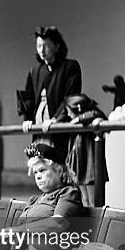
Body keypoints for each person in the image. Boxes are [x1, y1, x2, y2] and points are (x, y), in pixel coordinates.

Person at [21, 26, 82, 155]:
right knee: (38, 162)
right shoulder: (35, 71)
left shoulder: (70, 67)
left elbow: (70, 98)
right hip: (39, 126)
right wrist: (27, 119)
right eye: (38, 46)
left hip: (58, 125)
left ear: (57, 46)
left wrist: (57, 118)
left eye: (46, 46)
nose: (42, 50)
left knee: (58, 163)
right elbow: (29, 97)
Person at [61, 94, 108, 207]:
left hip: (89, 166)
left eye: (69, 111)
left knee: (93, 201)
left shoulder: (89, 120)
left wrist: (78, 119)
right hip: (79, 165)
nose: (68, 114)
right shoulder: (76, 125)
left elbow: (97, 113)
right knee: (84, 200)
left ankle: (95, 223)